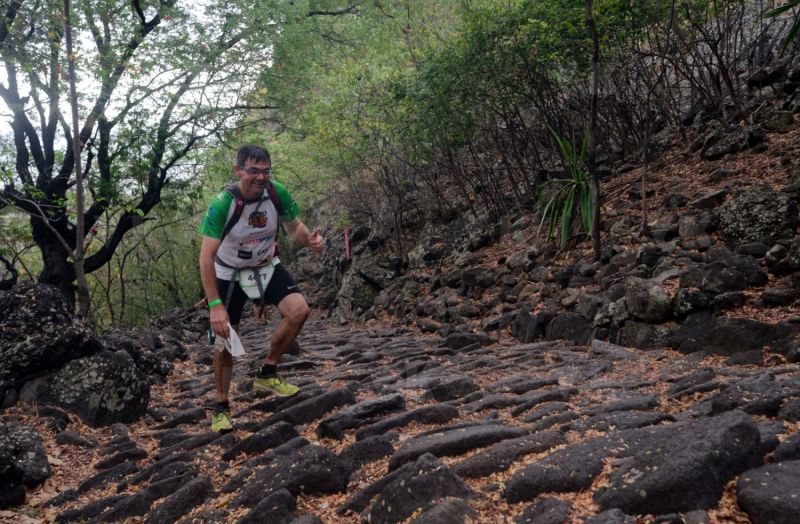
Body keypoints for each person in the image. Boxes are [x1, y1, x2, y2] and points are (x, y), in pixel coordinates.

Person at [198, 144, 325, 433]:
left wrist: (311, 241)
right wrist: (214, 306)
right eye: (253, 171)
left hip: (266, 265)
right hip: (228, 273)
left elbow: (295, 228)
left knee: (299, 311)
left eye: (265, 171)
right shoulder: (223, 203)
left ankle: (267, 372)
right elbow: (206, 256)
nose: (260, 177)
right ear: (239, 170)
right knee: (226, 340)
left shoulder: (277, 192)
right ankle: (221, 406)